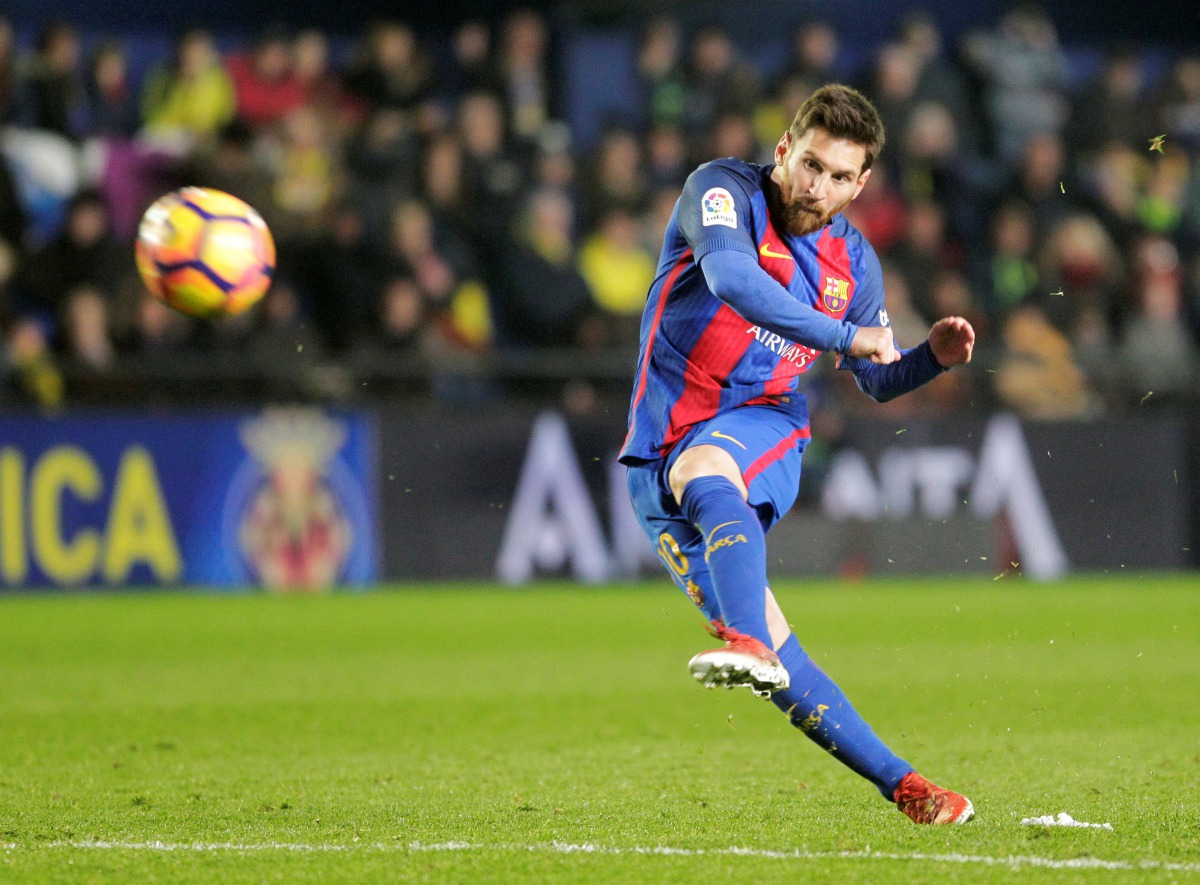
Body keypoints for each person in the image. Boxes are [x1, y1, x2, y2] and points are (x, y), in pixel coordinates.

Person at [619, 84, 976, 825]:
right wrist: (844, 336)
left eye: (841, 177)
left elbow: (876, 380)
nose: (819, 189)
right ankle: (909, 787)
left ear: (862, 183)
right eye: (811, 165)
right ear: (784, 148)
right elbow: (732, 280)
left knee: (707, 473)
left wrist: (930, 359)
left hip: (762, 421)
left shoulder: (856, 263)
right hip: (658, 447)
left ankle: (744, 634)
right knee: (779, 658)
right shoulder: (719, 192)